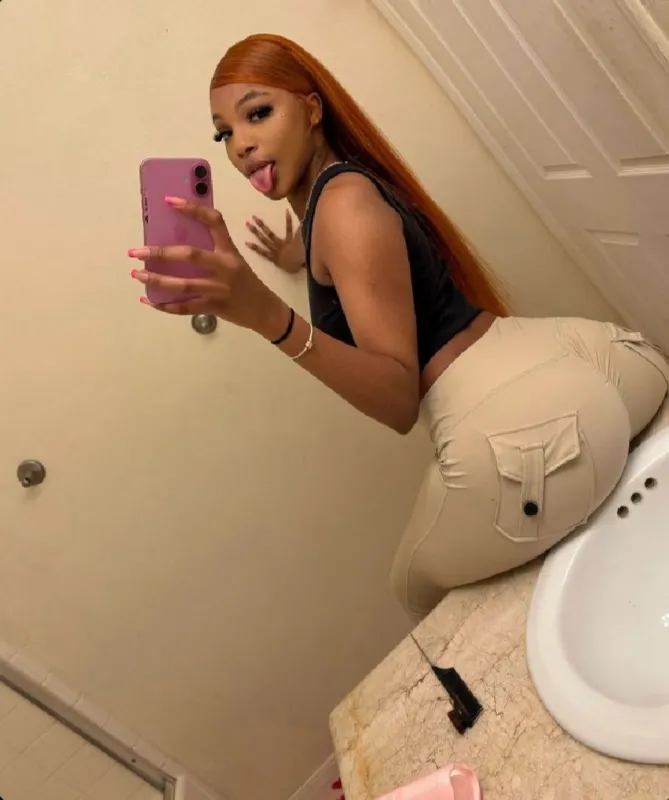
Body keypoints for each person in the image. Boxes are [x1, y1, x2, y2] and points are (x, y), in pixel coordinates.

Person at [129, 34, 669, 619]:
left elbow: (397, 400)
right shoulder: (345, 187)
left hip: (508, 428)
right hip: (599, 357)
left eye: (257, 113)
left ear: (312, 109)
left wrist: (268, 316)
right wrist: (295, 255)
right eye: (224, 134)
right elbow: (356, 251)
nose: (241, 145)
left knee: (413, 589)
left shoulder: (343, 209)